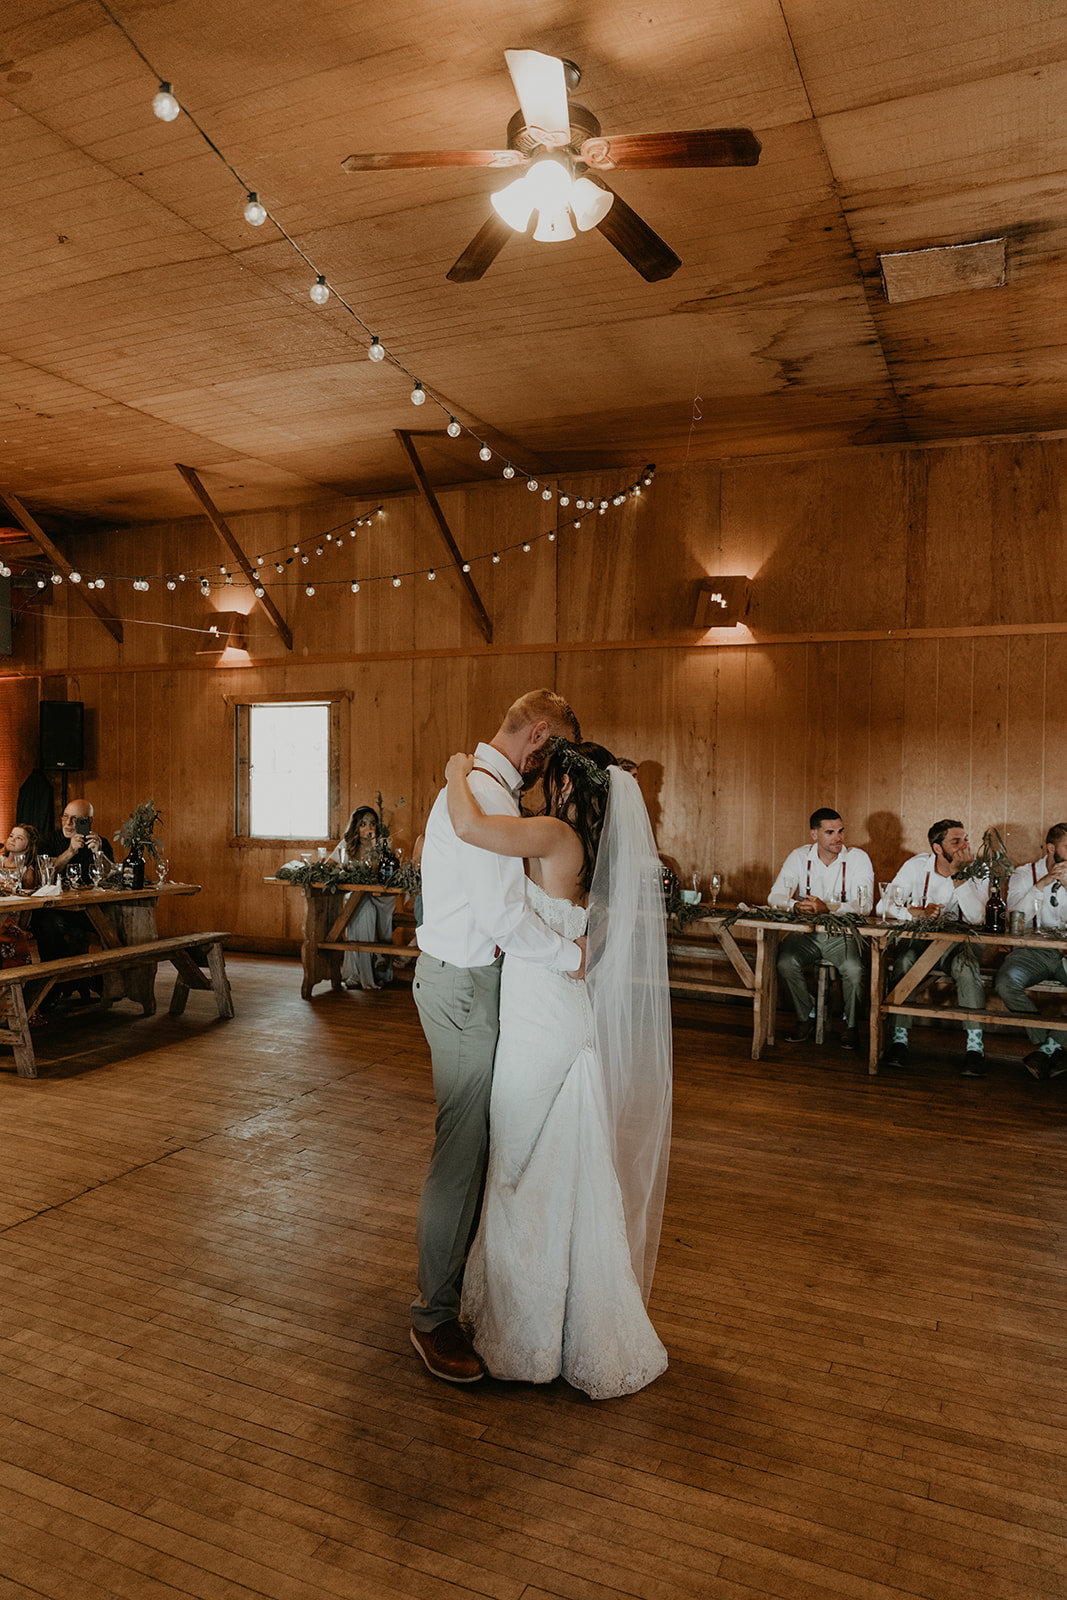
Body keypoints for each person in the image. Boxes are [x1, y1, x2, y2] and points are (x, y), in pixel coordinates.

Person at [444, 736, 671, 1398]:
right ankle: (561, 1326)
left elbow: (468, 824)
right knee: (555, 1167)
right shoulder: (591, 849)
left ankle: (527, 1339)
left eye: (548, 778)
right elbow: (590, 937)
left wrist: (459, 768)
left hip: (540, 1016)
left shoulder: (550, 834)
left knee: (520, 1168)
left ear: (566, 787)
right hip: (559, 1008)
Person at [410, 689, 584, 1384]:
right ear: (536, 733)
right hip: (461, 986)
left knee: (478, 1145)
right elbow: (502, 916)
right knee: (461, 1151)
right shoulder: (488, 794)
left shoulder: (477, 789)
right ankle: (432, 1318)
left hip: (466, 981)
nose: (550, 767)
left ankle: (462, 1294)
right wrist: (575, 958)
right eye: (552, 752)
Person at [878, 819, 989, 1075]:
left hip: (960, 944)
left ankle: (975, 1048)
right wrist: (916, 913)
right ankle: (899, 1040)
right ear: (938, 848)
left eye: (966, 839)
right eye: (956, 841)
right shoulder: (916, 866)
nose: (965, 846)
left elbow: (976, 918)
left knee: (966, 965)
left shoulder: (977, 870)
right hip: (921, 941)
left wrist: (959, 876)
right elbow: (883, 905)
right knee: (904, 961)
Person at [769, 808, 874, 1049]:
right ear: (814, 835)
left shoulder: (858, 858)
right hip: (806, 934)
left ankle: (851, 1024)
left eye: (840, 831)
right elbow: (775, 895)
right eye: (830, 832)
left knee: (855, 970)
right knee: (785, 963)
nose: (838, 838)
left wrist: (829, 908)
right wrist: (796, 905)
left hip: (843, 936)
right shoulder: (799, 856)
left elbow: (865, 905)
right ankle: (807, 1015)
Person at [995, 822, 1067, 1079]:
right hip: (1032, 950)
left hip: (1066, 953)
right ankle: (1051, 1044)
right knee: (1005, 982)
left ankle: (1048, 1049)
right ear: (1051, 848)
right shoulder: (1025, 874)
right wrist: (1043, 884)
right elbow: (1014, 919)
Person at [328, 806, 394, 989]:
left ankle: (379, 964)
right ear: (356, 826)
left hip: (381, 896)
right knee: (364, 907)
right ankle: (361, 971)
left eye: (372, 824)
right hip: (357, 896)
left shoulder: (383, 844)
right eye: (363, 824)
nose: (368, 828)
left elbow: (377, 872)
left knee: (370, 906)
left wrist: (374, 845)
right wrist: (341, 871)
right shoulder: (347, 844)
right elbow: (329, 864)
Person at [1, 823, 40, 890]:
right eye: (11, 836)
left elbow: (27, 894)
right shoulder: (0, 860)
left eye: (19, 838)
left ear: (28, 846)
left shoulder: (27, 870)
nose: (12, 840)